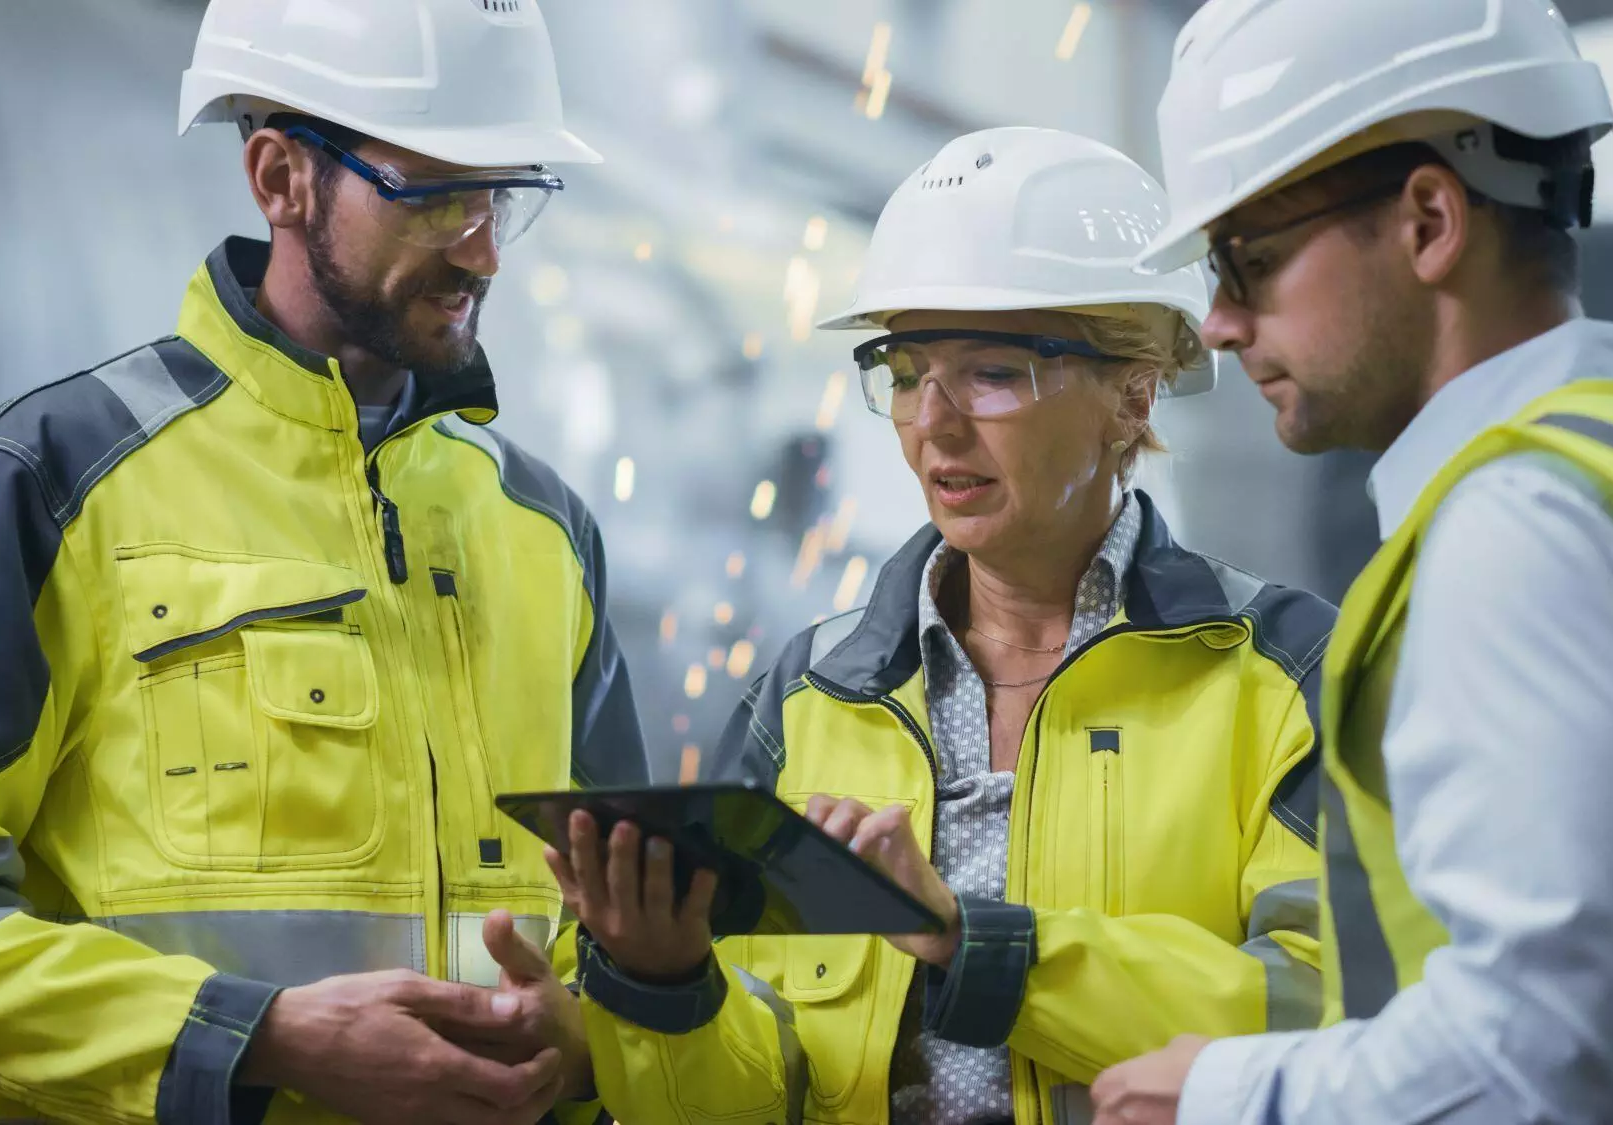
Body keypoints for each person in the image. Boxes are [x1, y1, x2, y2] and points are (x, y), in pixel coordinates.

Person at [0, 2, 647, 1122]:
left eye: (502, 194)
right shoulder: (62, 478)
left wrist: (591, 1037)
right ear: (280, 177)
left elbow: (630, 928)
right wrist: (263, 1039)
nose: (483, 248)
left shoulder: (543, 528)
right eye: (436, 193)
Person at [1088, 2, 1613, 1123]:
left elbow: (1554, 1052)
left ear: (1427, 219)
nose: (1219, 322)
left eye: (1250, 260)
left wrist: (1229, 1097)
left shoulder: (1520, 531)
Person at [554, 127, 1336, 1125]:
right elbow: (757, 1097)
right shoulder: (811, 696)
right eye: (908, 368)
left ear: (1130, 393)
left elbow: (1320, 1019)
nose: (934, 422)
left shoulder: (1281, 676)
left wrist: (973, 941)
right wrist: (661, 986)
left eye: (993, 372)